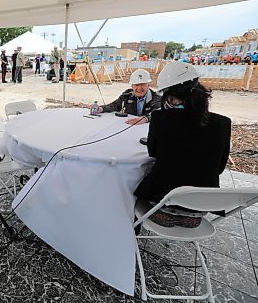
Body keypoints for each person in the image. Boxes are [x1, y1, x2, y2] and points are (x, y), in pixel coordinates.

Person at [134, 61, 231, 228]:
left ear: (169, 97)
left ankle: (130, 233)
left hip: (159, 210)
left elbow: (153, 153)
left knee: (136, 175)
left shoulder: (160, 119)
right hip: (197, 214)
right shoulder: (223, 123)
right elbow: (220, 168)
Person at [97, 69, 161, 125]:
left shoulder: (157, 98)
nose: (139, 88)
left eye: (142, 84)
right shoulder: (127, 95)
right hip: (130, 127)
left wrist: (145, 119)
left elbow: (159, 114)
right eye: (136, 85)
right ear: (132, 86)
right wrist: (101, 108)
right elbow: (115, 105)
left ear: (148, 85)